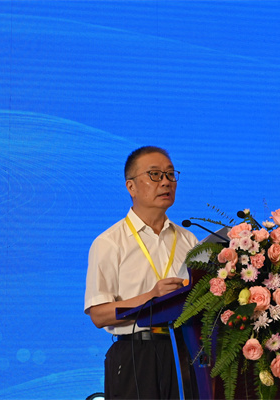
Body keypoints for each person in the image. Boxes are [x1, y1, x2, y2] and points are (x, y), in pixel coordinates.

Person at [84, 146, 198, 399]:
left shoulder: (189, 240)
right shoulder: (110, 242)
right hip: (136, 355)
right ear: (131, 186)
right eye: (155, 175)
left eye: (170, 174)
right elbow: (99, 315)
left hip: (185, 355)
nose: (166, 182)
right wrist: (152, 297)